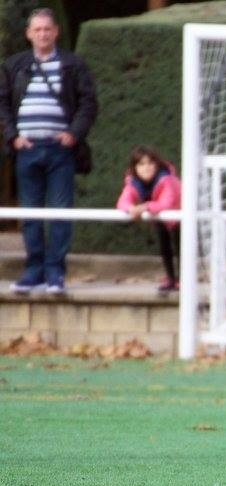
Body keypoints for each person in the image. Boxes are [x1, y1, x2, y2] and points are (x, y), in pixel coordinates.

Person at [0, 7, 98, 295]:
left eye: (47, 29)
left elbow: (88, 103)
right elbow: (2, 103)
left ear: (55, 32)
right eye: (37, 30)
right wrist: (13, 137)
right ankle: (33, 271)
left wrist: (73, 134)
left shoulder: (73, 65)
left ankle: (56, 273)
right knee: (30, 214)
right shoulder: (14, 65)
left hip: (60, 151)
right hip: (27, 149)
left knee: (60, 211)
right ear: (29, 34)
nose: (43, 34)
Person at [115, 146, 182, 293]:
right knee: (164, 245)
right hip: (158, 214)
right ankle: (171, 279)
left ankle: (183, 279)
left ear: (157, 165)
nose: (146, 168)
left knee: (181, 245)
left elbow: (167, 203)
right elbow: (122, 202)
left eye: (150, 163)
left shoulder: (167, 179)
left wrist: (145, 206)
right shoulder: (133, 182)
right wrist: (131, 208)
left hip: (179, 212)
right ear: (135, 167)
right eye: (141, 164)